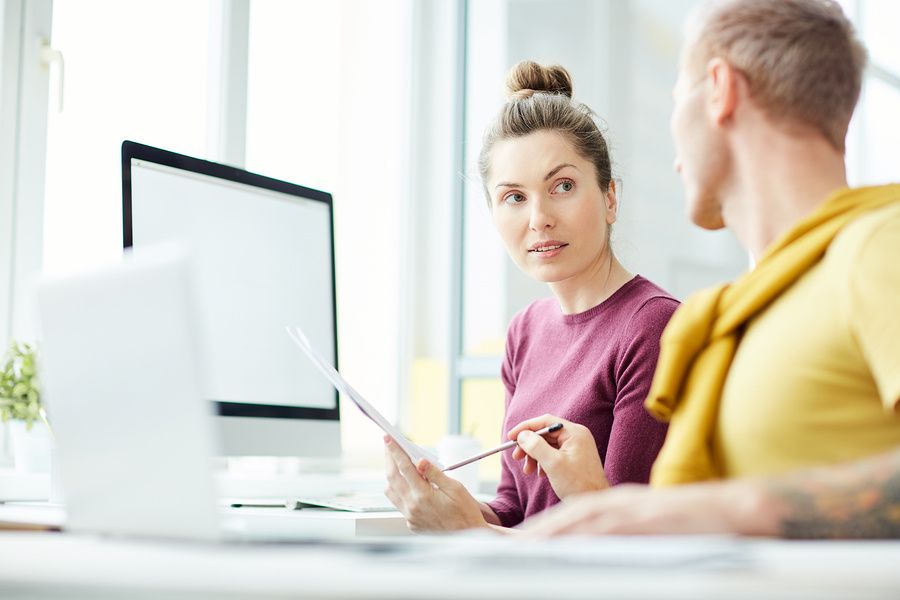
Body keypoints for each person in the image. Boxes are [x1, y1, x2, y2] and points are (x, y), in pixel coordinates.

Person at [518, 0, 900, 539]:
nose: (676, 154)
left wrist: (727, 509)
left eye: (678, 99)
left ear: (719, 90)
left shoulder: (882, 245)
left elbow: (714, 514)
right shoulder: (744, 315)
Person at [383, 61, 680, 532]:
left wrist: (471, 534)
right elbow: (515, 510)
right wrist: (444, 501)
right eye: (514, 197)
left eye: (562, 186)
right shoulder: (526, 330)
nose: (538, 218)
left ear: (610, 198)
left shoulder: (654, 327)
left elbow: (627, 547)